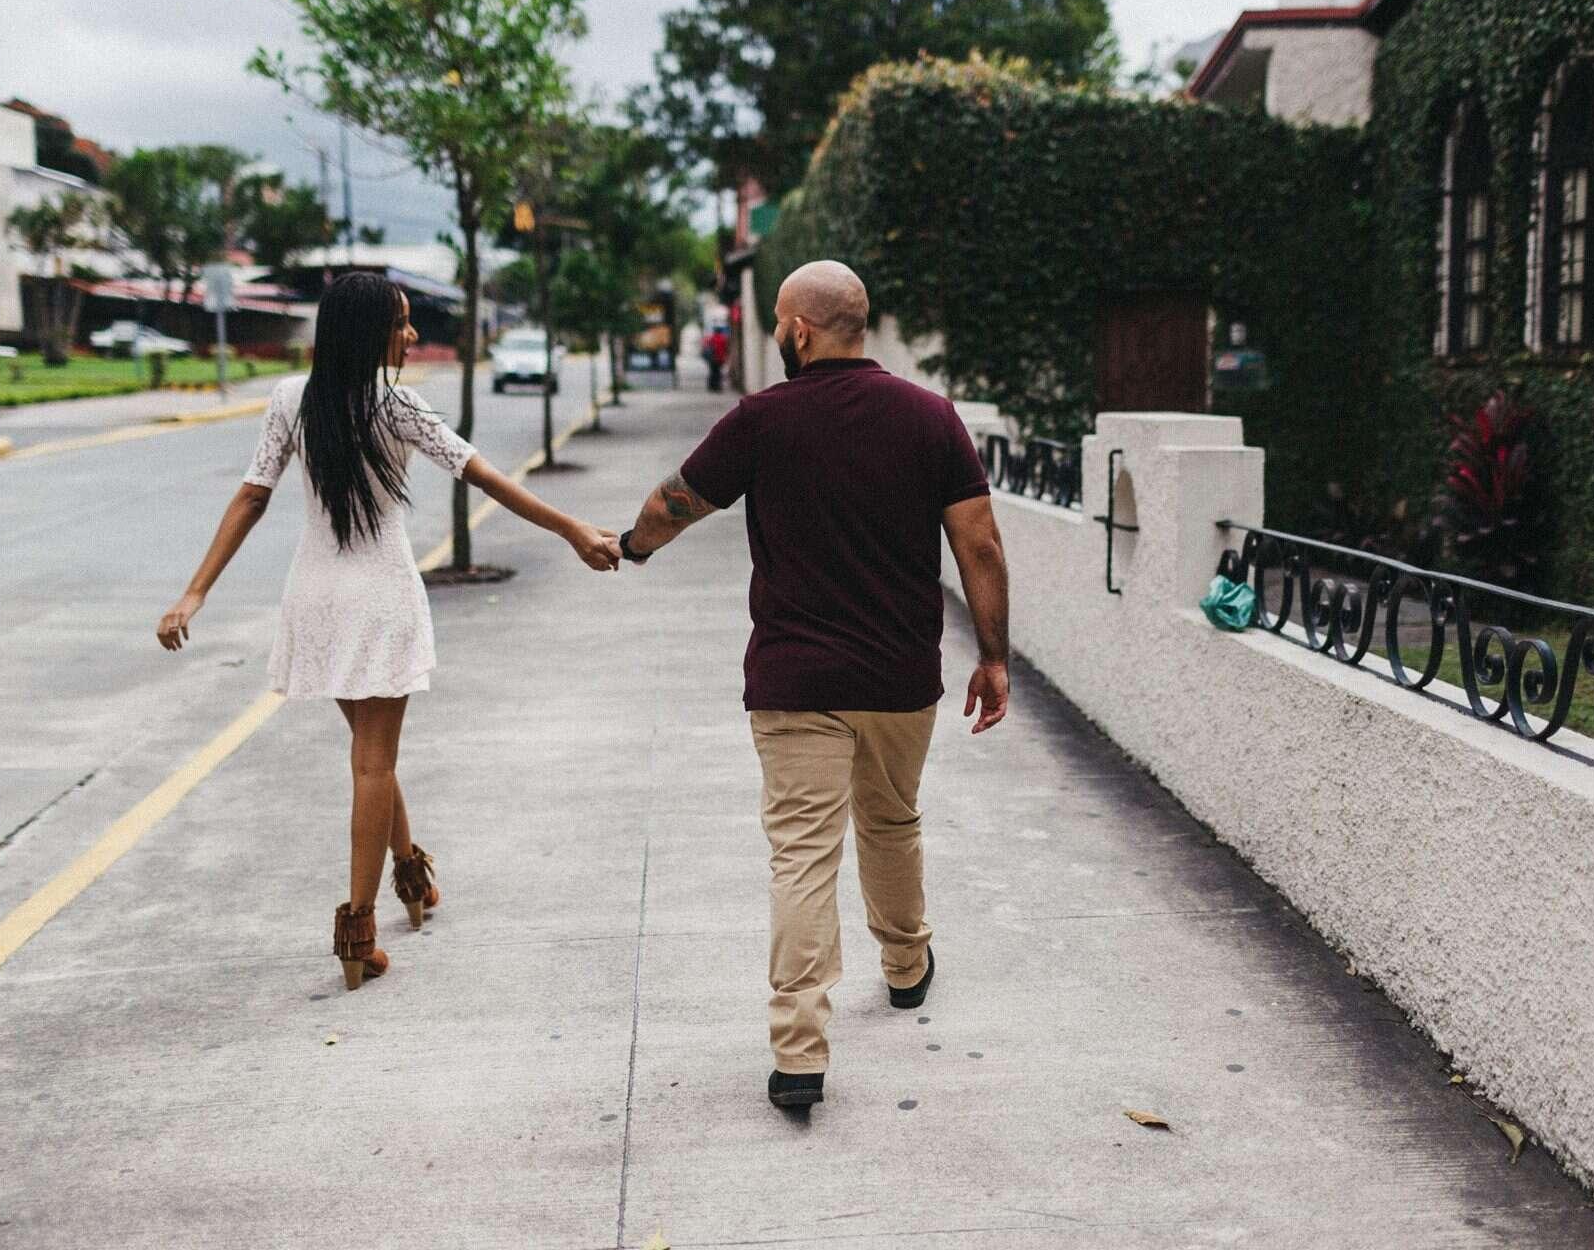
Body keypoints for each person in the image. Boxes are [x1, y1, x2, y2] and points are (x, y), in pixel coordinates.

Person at [615, 259, 1011, 1108]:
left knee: (802, 858)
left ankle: (800, 1054)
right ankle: (906, 966)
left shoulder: (763, 419)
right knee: (892, 819)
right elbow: (979, 544)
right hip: (901, 676)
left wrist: (635, 546)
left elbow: (675, 501)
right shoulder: (930, 417)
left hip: (796, 681)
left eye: (779, 327)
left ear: (797, 329)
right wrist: (994, 655)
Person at [155, 272, 621, 991]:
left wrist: (194, 592)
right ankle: (357, 933)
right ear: (367, 331)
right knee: (373, 762)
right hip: (379, 600)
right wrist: (570, 530)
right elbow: (486, 477)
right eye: (401, 324)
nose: (411, 336)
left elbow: (253, 494)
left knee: (371, 752)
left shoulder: (291, 400)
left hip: (314, 600)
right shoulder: (398, 408)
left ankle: (413, 880)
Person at [702, 324, 730, 393]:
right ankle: (718, 386)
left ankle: (712, 386)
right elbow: (726, 349)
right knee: (718, 373)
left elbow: (707, 347)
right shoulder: (723, 339)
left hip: (712, 358)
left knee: (712, 372)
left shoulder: (712, 338)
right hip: (720, 359)